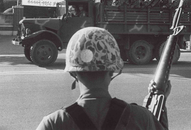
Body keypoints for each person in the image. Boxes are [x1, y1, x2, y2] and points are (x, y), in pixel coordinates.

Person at [36, 27, 171, 130]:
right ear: (112, 71)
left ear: (73, 73)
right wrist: (160, 100)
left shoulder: (53, 123)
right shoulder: (141, 118)